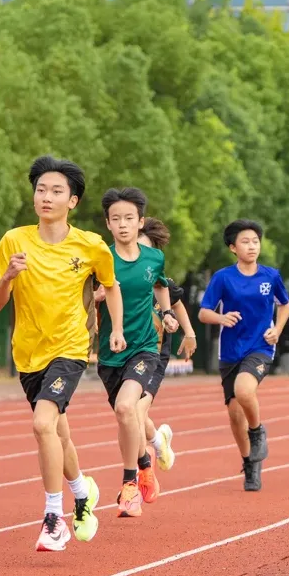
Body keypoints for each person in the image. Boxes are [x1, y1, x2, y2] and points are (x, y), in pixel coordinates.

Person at [0, 155, 124, 552]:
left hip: (70, 348)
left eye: (56, 191)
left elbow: (110, 285)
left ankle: (53, 517)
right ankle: (82, 492)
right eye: (41, 189)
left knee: (43, 425)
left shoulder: (90, 245)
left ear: (73, 201)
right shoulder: (14, 241)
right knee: (59, 431)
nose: (46, 197)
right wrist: (9, 276)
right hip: (28, 354)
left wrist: (115, 328)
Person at [96, 187, 178, 518]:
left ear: (140, 221)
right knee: (124, 416)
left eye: (129, 218)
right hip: (109, 352)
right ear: (108, 224)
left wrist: (168, 312)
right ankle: (144, 464)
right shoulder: (100, 259)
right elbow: (84, 295)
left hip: (144, 347)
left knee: (126, 406)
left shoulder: (154, 258)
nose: (123, 224)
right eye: (116, 219)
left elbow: (160, 284)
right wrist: (96, 296)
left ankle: (129, 485)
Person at [198, 220, 289, 492]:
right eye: (245, 242)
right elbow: (204, 312)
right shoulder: (223, 278)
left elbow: (284, 306)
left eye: (255, 241)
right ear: (232, 247)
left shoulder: (270, 276)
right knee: (234, 413)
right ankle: (250, 462)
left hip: (260, 347)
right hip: (230, 351)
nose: (252, 246)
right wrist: (221, 317)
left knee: (244, 391)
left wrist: (278, 330)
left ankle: (258, 430)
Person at [131, 218, 196, 473]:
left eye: (144, 248)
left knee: (135, 410)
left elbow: (176, 301)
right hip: (124, 353)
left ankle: (138, 475)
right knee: (132, 414)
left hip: (153, 354)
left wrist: (189, 333)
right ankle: (159, 441)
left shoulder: (158, 278)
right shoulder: (118, 276)